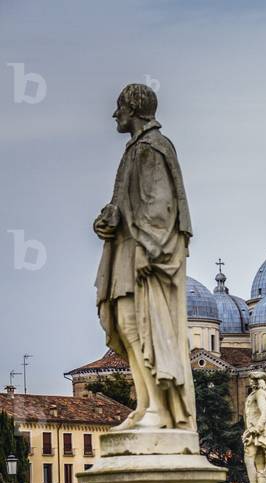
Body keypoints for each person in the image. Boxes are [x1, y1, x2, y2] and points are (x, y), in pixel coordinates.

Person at [94, 83, 195, 431]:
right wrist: (109, 219)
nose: (114, 115)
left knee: (145, 328)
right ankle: (145, 404)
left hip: (145, 256)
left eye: (119, 107)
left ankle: (157, 409)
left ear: (133, 109)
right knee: (126, 325)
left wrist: (149, 250)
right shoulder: (134, 150)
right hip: (126, 251)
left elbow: (160, 206)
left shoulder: (153, 148)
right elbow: (127, 205)